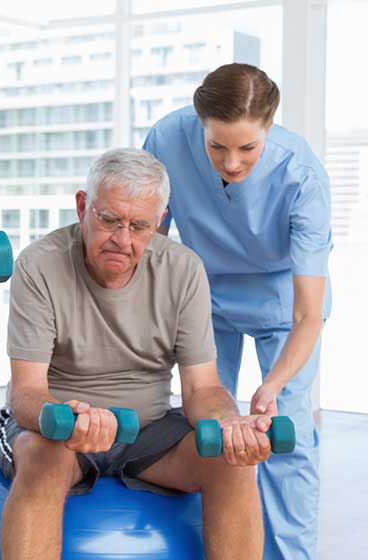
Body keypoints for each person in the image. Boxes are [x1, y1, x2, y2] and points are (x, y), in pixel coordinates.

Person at [0, 148, 274, 560]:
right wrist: (70, 419)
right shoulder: (39, 264)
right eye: (109, 220)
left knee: (232, 461)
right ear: (83, 206)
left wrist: (231, 425)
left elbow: (202, 388)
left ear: (158, 224)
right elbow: (26, 393)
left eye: (139, 226)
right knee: (41, 457)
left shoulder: (183, 270)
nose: (122, 240)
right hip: (62, 428)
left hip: (150, 429)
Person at [143, 63, 331, 560]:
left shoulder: (301, 173)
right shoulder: (165, 140)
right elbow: (148, 247)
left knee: (283, 433)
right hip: (204, 295)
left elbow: (309, 315)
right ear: (198, 122)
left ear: (268, 127)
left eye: (248, 148)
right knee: (206, 431)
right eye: (217, 146)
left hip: (281, 300)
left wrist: (272, 386)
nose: (231, 163)